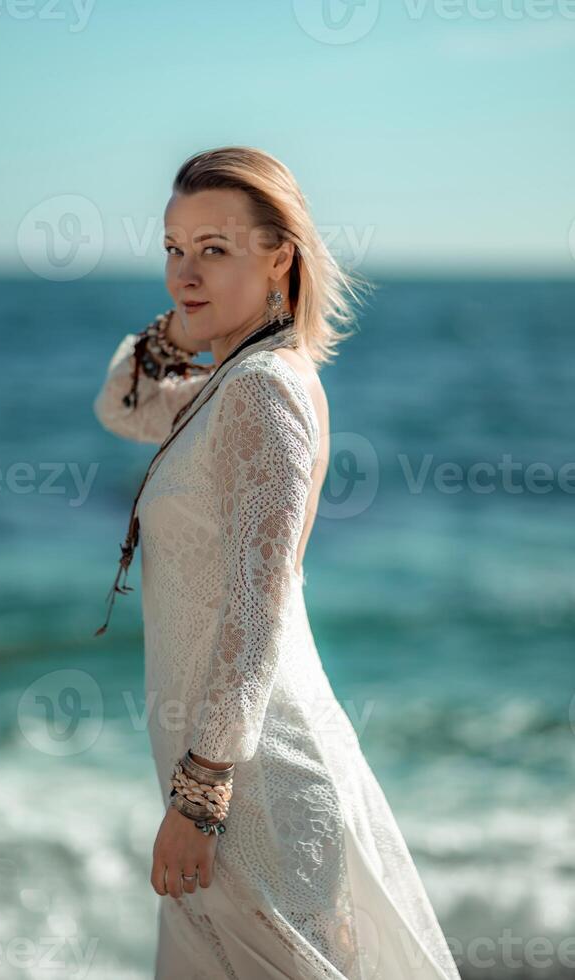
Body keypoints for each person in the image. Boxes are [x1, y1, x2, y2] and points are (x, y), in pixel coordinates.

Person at [93, 146, 461, 980]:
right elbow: (120, 402)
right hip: (222, 789)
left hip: (252, 799)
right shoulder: (229, 385)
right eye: (173, 249)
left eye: (214, 250)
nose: (183, 273)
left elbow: (256, 611)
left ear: (279, 257)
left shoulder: (263, 391)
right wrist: (181, 328)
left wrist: (200, 797)